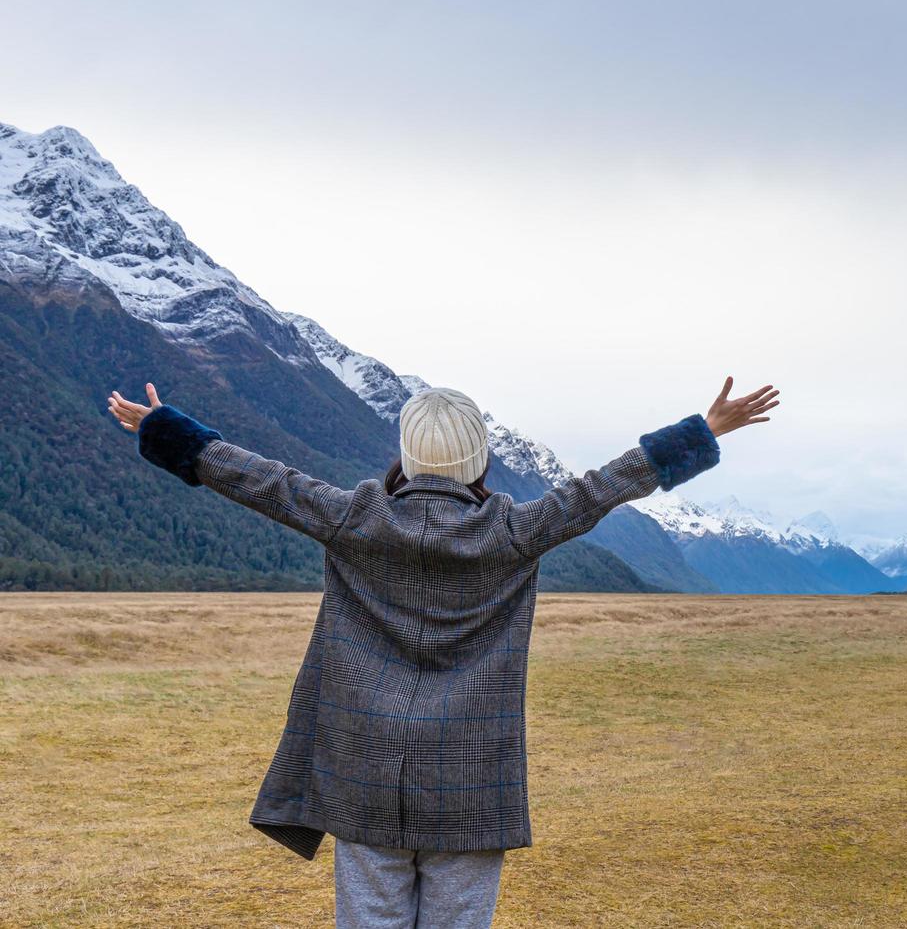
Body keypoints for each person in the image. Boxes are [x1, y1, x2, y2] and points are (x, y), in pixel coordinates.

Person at [107, 377, 779, 928]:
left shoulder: (353, 518)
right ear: (477, 458)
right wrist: (704, 431)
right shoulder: (515, 532)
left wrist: (166, 430)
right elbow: (602, 488)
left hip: (363, 773)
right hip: (473, 785)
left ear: (406, 451)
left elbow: (261, 480)